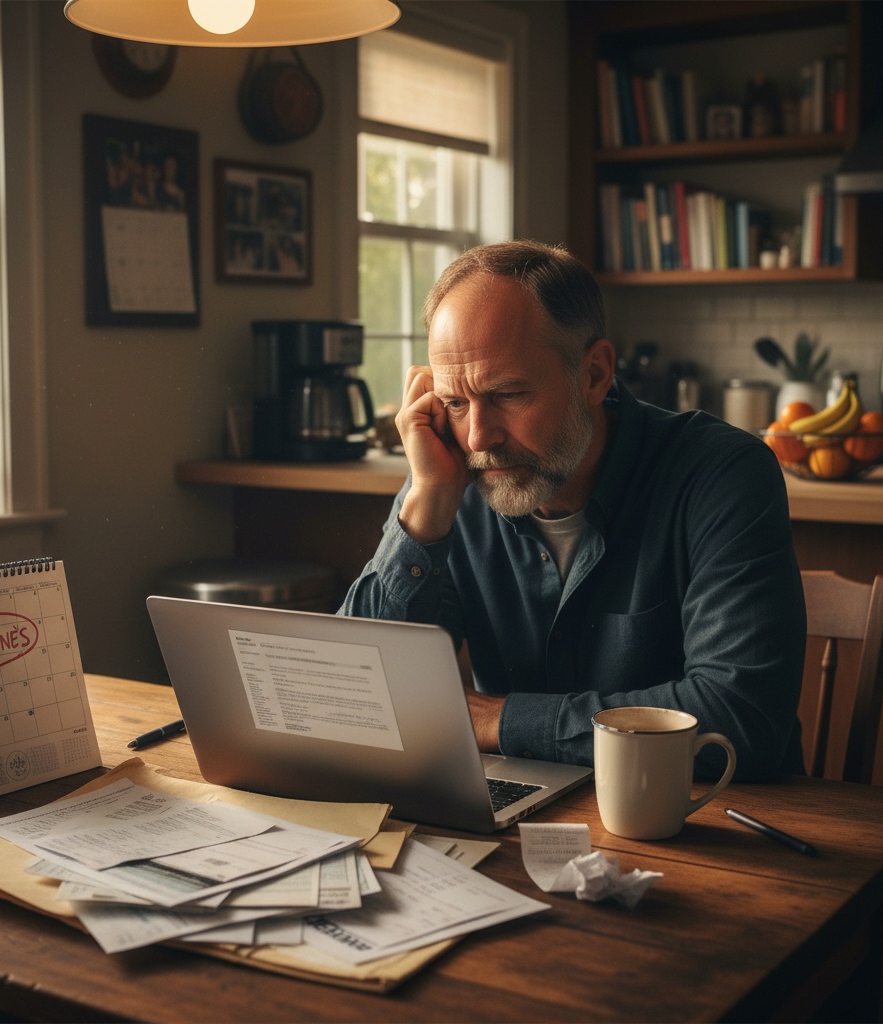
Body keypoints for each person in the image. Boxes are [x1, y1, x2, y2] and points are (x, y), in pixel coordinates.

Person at [340, 240, 806, 782]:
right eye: (455, 402)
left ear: (594, 374)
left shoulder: (722, 474)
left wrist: (501, 720)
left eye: (509, 394)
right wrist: (425, 505)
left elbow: (739, 719)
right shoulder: (450, 474)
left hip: (706, 825)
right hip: (515, 821)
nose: (479, 436)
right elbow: (357, 694)